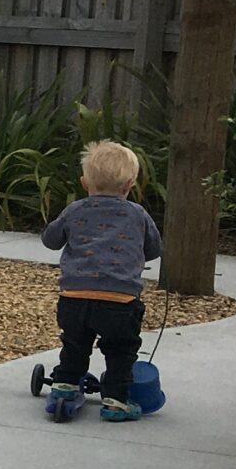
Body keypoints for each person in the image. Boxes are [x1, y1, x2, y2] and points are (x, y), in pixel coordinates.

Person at [39, 139, 163, 422]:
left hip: (75, 297)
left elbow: (51, 240)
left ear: (85, 183)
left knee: (74, 343)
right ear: (129, 184)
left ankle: (64, 386)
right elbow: (154, 249)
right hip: (120, 301)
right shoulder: (138, 214)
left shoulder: (75, 210)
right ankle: (116, 400)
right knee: (121, 350)